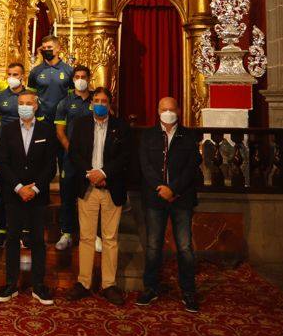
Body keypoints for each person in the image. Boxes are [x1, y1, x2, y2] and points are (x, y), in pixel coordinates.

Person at [137, 96, 201, 313]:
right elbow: (145, 165)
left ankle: (188, 291)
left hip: (181, 198)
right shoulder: (148, 136)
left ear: (179, 111)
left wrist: (174, 189)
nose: (167, 113)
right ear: (158, 111)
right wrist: (160, 188)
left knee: (184, 247)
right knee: (153, 245)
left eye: (171, 109)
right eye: (164, 109)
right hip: (155, 198)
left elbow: (192, 167)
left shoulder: (189, 136)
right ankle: (151, 287)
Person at [66, 87, 130, 305]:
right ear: (91, 103)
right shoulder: (82, 124)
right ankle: (84, 283)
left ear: (110, 104)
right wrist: (91, 174)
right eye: (96, 100)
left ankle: (108, 285)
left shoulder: (121, 126)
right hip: (87, 187)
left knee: (110, 238)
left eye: (104, 100)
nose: (100, 103)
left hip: (112, 187)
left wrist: (103, 173)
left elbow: (125, 156)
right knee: (86, 237)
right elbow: (74, 152)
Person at [0, 91, 56, 306]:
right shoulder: (8, 130)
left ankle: (38, 285)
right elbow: (3, 163)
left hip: (37, 196)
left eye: (28, 103)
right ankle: (11, 283)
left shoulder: (47, 130)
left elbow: (50, 164)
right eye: (21, 103)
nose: (24, 107)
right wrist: (19, 188)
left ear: (36, 106)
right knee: (12, 238)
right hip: (14, 194)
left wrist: (36, 188)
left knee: (38, 240)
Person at [0, 61, 30, 248]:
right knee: (4, 193)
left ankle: (24, 231)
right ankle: (0, 231)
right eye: (9, 73)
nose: (12, 77)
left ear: (22, 76)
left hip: (26, 150)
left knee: (25, 190)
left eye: (16, 74)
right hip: (6, 151)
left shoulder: (30, 97)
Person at [53, 65, 94, 251]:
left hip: (93, 157)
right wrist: (73, 151)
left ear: (89, 78)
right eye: (77, 76)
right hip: (70, 158)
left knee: (92, 197)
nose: (80, 79)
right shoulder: (65, 103)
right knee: (67, 195)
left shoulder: (97, 100)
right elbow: (60, 133)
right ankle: (66, 232)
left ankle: (94, 234)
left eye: (83, 76)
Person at [27, 35, 74, 123]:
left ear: (58, 49)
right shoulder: (35, 71)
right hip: (41, 119)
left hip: (62, 119)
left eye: (49, 47)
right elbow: (30, 95)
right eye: (44, 48)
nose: (46, 50)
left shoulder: (69, 70)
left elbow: (73, 96)